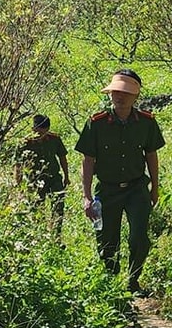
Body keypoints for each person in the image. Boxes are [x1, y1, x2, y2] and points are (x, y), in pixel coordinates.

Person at [74, 69, 164, 293]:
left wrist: (155, 187)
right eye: (115, 92)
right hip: (107, 190)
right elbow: (88, 160)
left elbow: (151, 155)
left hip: (137, 189)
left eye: (125, 93)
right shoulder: (96, 123)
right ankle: (111, 285)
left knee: (139, 238)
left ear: (135, 96)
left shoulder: (146, 122)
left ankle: (133, 282)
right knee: (107, 239)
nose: (119, 96)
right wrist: (86, 196)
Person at [16, 113, 70, 238]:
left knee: (58, 206)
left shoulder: (54, 139)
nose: (41, 136)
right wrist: (18, 184)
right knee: (37, 209)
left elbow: (62, 157)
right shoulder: (24, 143)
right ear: (33, 129)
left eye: (44, 132)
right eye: (39, 132)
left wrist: (66, 176)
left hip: (54, 178)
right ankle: (39, 236)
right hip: (34, 181)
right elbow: (18, 165)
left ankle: (56, 235)